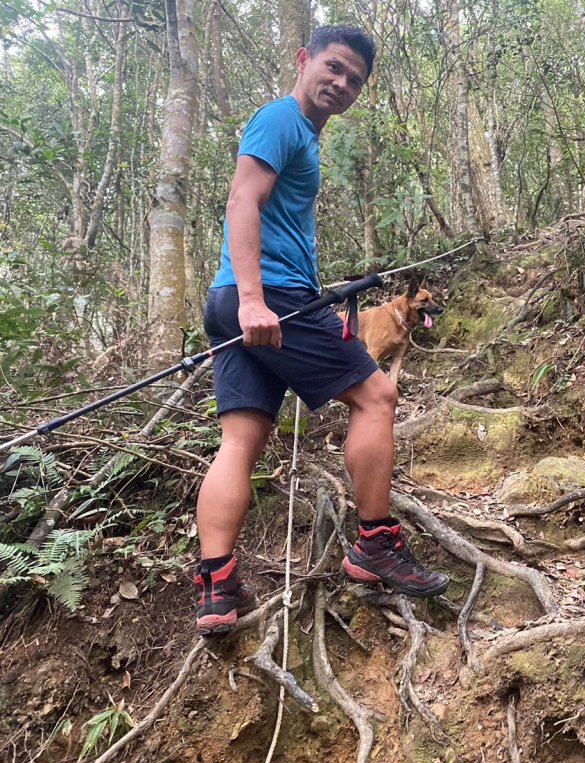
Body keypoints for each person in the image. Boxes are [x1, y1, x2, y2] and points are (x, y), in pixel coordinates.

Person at [193, 25, 449, 636]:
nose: (341, 83)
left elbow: (272, 220)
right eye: (333, 67)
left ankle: (217, 588)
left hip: (237, 299)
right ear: (304, 60)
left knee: (241, 440)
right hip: (266, 301)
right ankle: (374, 545)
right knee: (378, 395)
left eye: (354, 79)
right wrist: (260, 301)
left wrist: (260, 298)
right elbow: (241, 202)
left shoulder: (301, 136)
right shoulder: (281, 120)